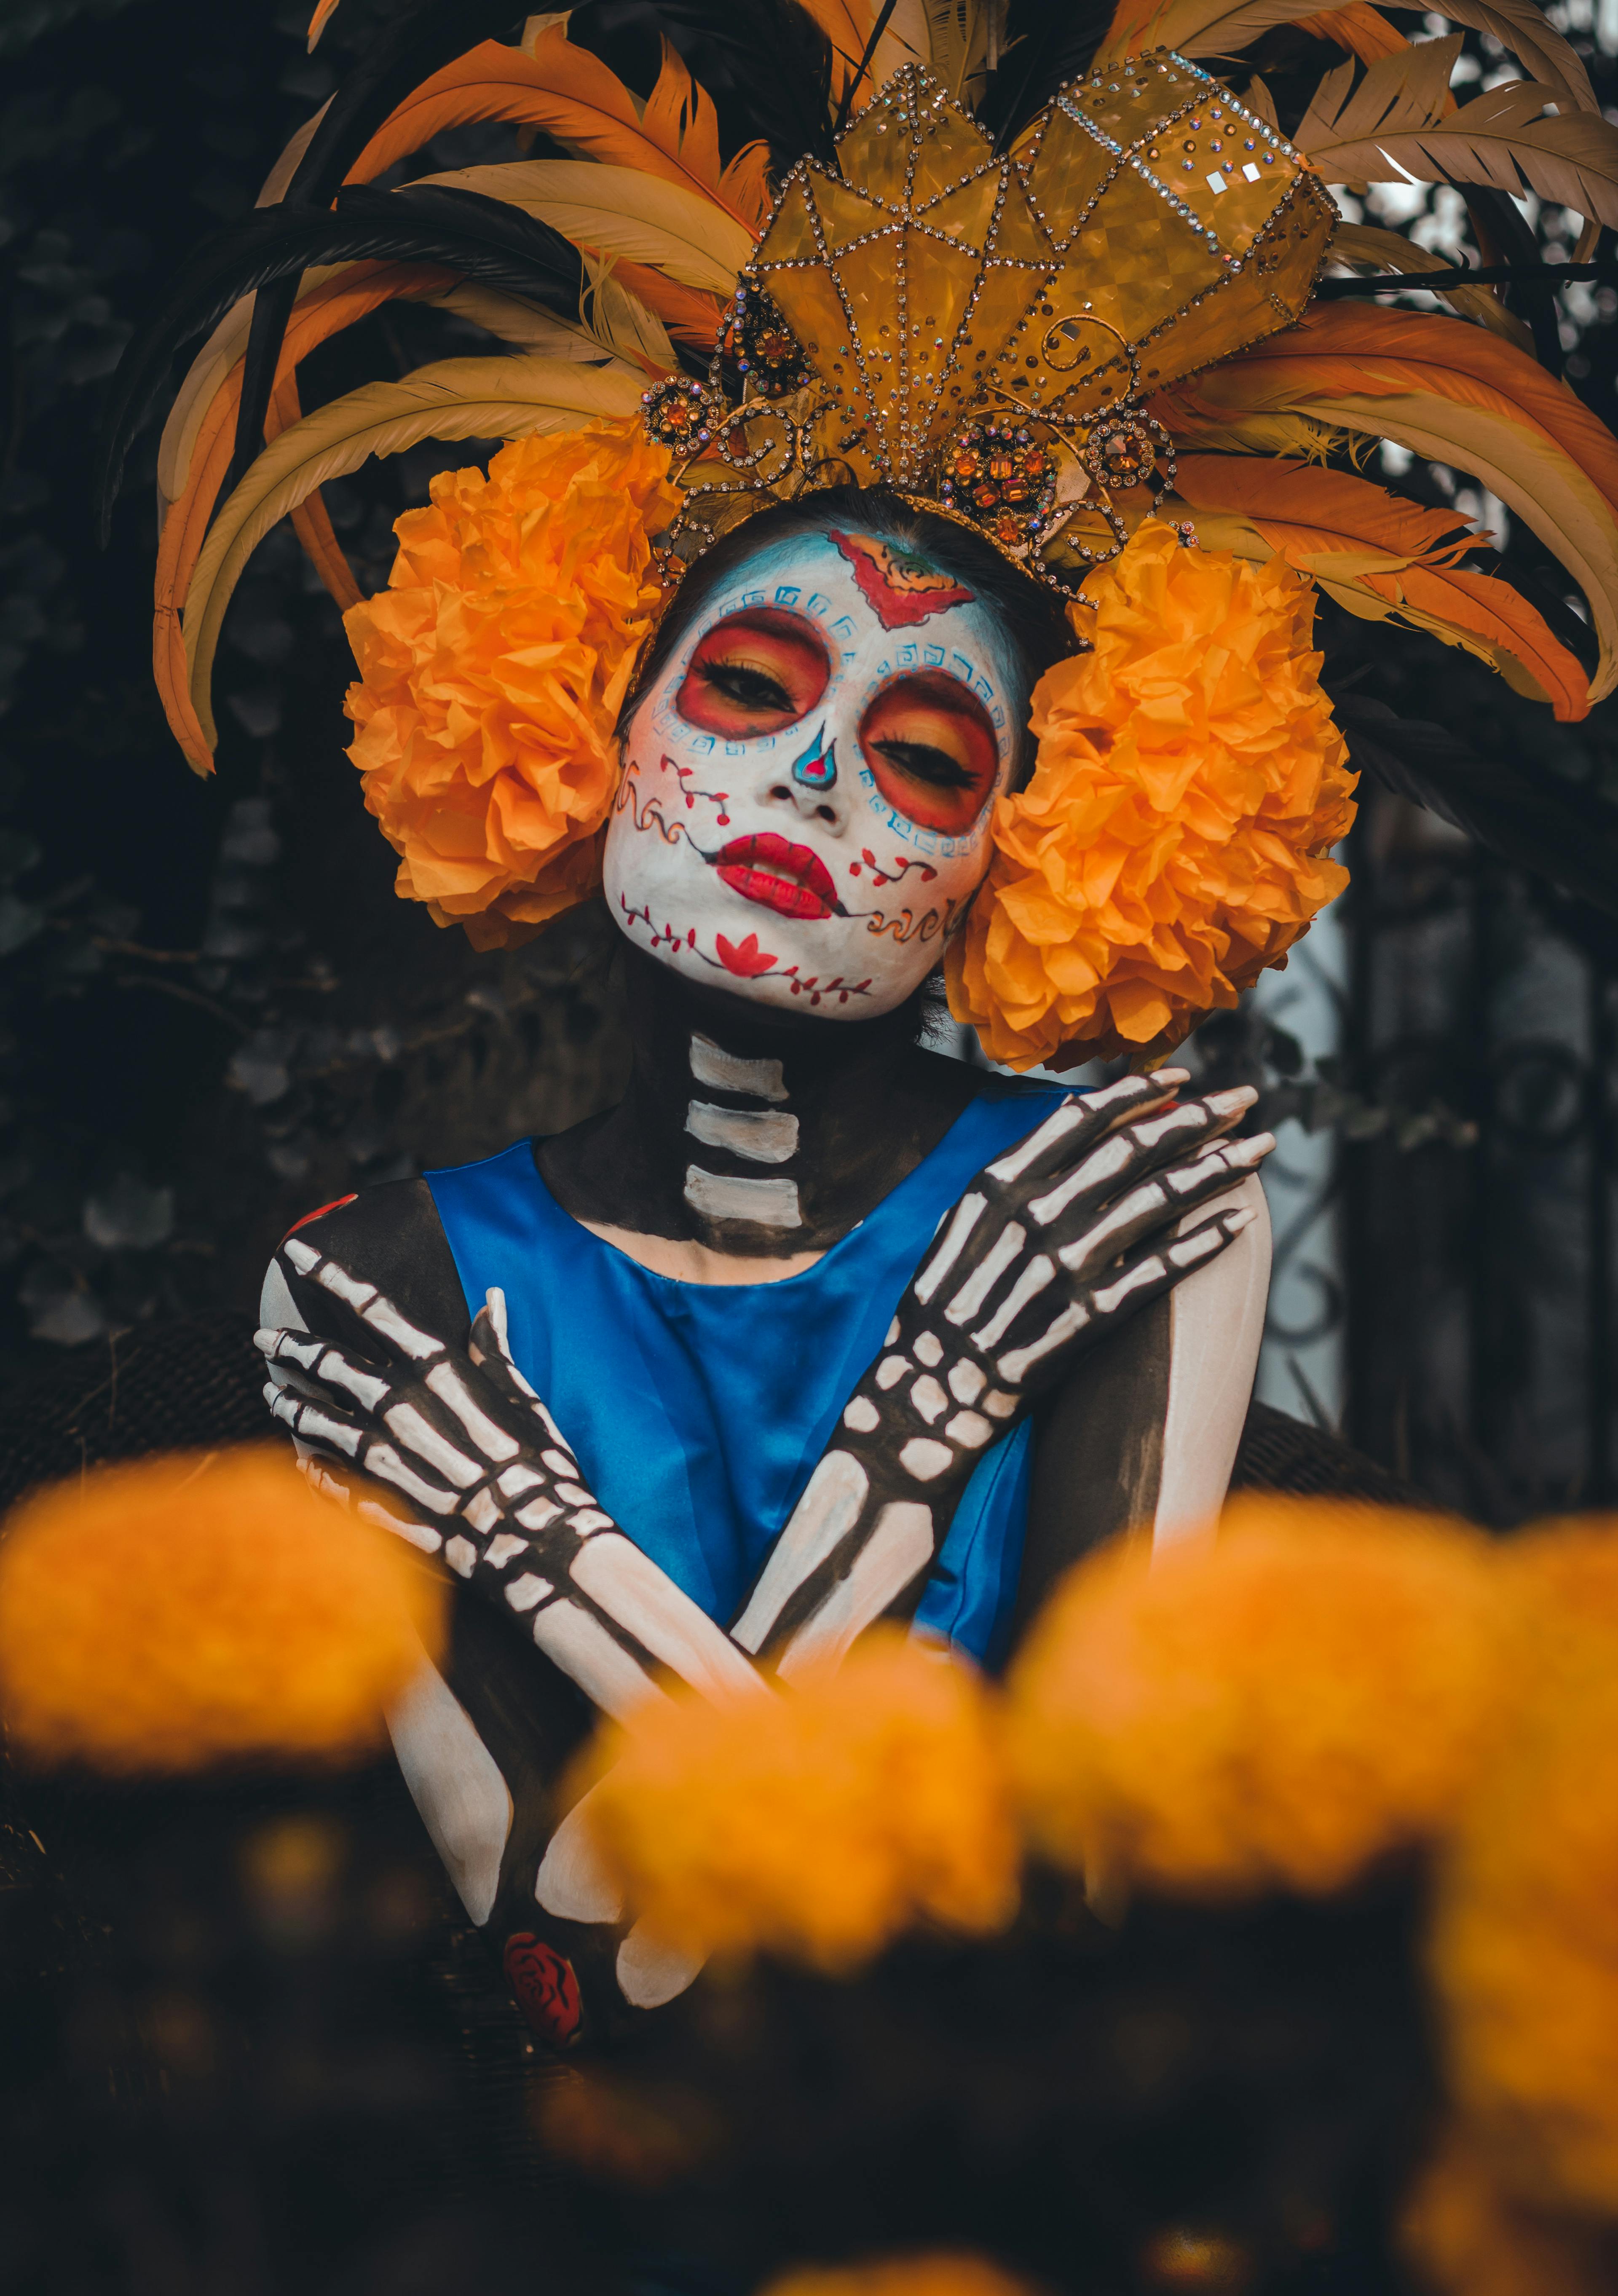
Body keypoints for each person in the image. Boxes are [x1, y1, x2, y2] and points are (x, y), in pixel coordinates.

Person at [100, 0, 1618, 2040]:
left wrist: (547, 1552)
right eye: (748, 685)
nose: (818, 772)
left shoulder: (1112, 1223)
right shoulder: (373, 1288)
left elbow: (1047, 1933)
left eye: (921, 750)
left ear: (1035, 834)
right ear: (579, 720)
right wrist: (938, 1416)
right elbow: (578, 1979)